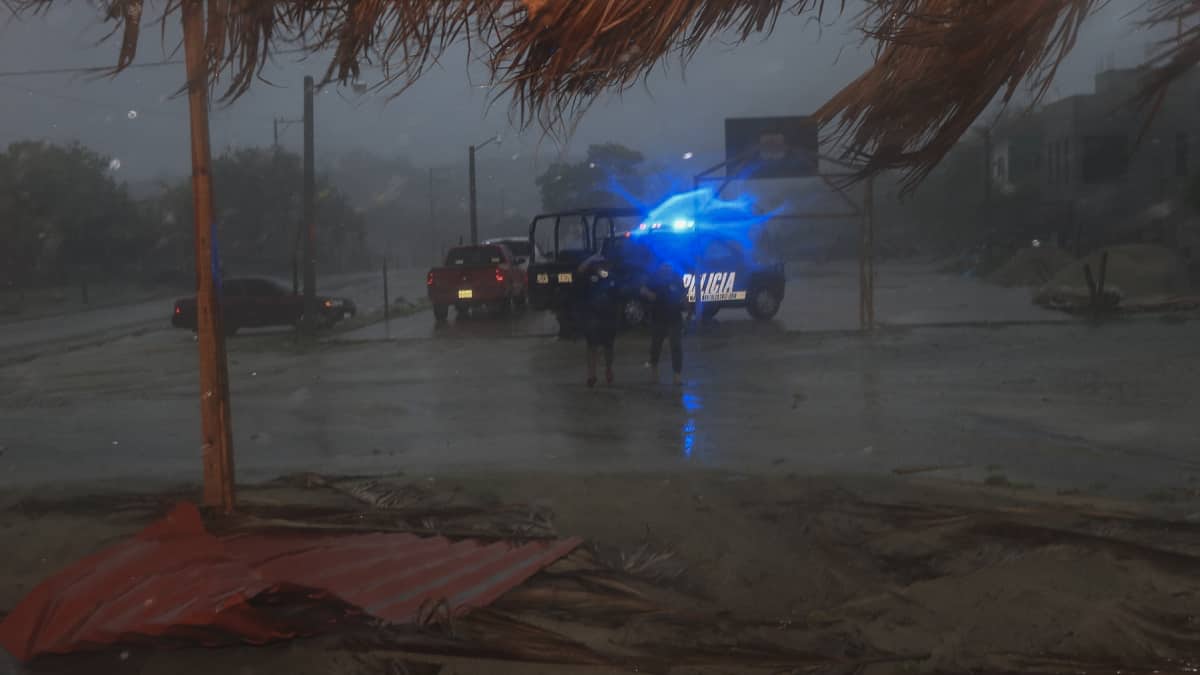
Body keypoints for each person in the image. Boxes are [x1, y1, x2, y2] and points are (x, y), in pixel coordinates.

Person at [641, 260, 690, 385]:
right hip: (658, 318)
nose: (666, 269)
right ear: (660, 268)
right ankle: (654, 372)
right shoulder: (654, 279)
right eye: (664, 267)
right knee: (655, 347)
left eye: (668, 267)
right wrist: (648, 293)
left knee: (676, 347)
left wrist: (686, 307)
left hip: (675, 318)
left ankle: (677, 375)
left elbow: (684, 294)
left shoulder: (677, 279)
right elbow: (642, 289)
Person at [578, 253, 620, 387]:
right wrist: (590, 259)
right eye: (598, 264)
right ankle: (592, 375)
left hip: (608, 317)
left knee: (609, 347)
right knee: (592, 346)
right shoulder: (589, 277)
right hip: (592, 316)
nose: (601, 267)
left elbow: (618, 297)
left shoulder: (612, 278)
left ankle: (608, 369)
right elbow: (579, 271)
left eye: (603, 264)